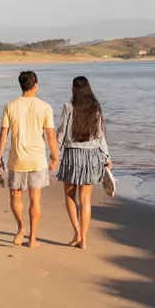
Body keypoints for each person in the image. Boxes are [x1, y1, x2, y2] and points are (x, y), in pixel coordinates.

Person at [0, 70, 59, 248]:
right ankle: (33, 238)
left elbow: (3, 134)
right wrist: (55, 156)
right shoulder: (45, 107)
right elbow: (51, 135)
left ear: (21, 85)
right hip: (37, 160)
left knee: (15, 196)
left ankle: (21, 228)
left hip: (17, 159)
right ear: (35, 85)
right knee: (35, 200)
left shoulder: (10, 106)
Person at [56, 75, 111, 250]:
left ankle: (77, 233)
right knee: (85, 199)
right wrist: (107, 157)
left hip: (72, 155)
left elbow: (61, 133)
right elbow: (100, 135)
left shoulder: (68, 107)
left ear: (73, 89)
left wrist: (54, 154)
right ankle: (84, 239)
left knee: (70, 196)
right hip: (92, 156)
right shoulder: (96, 107)